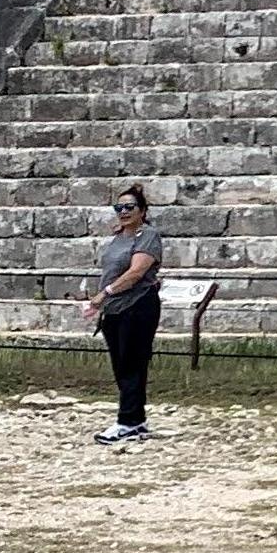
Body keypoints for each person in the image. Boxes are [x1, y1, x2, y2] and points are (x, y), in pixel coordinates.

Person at [85, 181, 164, 444]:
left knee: (132, 363)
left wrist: (103, 294)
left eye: (129, 207)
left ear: (142, 210)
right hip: (115, 309)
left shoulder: (148, 236)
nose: (123, 211)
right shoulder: (119, 237)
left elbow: (135, 273)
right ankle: (136, 419)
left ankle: (127, 421)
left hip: (137, 305)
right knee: (121, 364)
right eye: (119, 207)